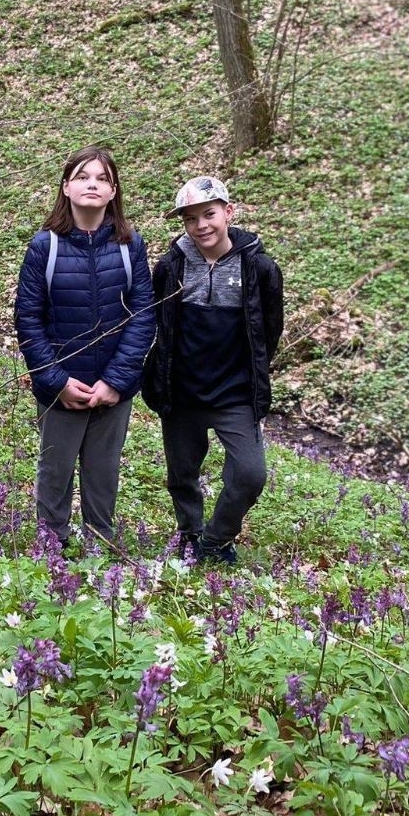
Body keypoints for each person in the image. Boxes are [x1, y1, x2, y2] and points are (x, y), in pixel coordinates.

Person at [14, 146, 155, 549]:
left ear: (113, 191)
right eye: (82, 176)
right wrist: (56, 380)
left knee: (103, 470)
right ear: (66, 187)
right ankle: (50, 549)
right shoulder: (46, 247)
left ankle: (99, 547)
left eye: (101, 178)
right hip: (61, 386)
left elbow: (143, 315)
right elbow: (28, 318)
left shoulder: (131, 246)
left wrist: (116, 380)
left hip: (114, 386)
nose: (92, 184)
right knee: (55, 470)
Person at [141, 175, 284, 566]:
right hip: (182, 391)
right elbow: (159, 324)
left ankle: (217, 539)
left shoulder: (259, 267)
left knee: (250, 474)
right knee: (181, 474)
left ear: (228, 212)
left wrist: (251, 373)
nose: (201, 225)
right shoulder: (170, 268)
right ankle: (190, 533)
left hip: (234, 393)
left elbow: (269, 330)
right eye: (190, 219)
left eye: (209, 214)